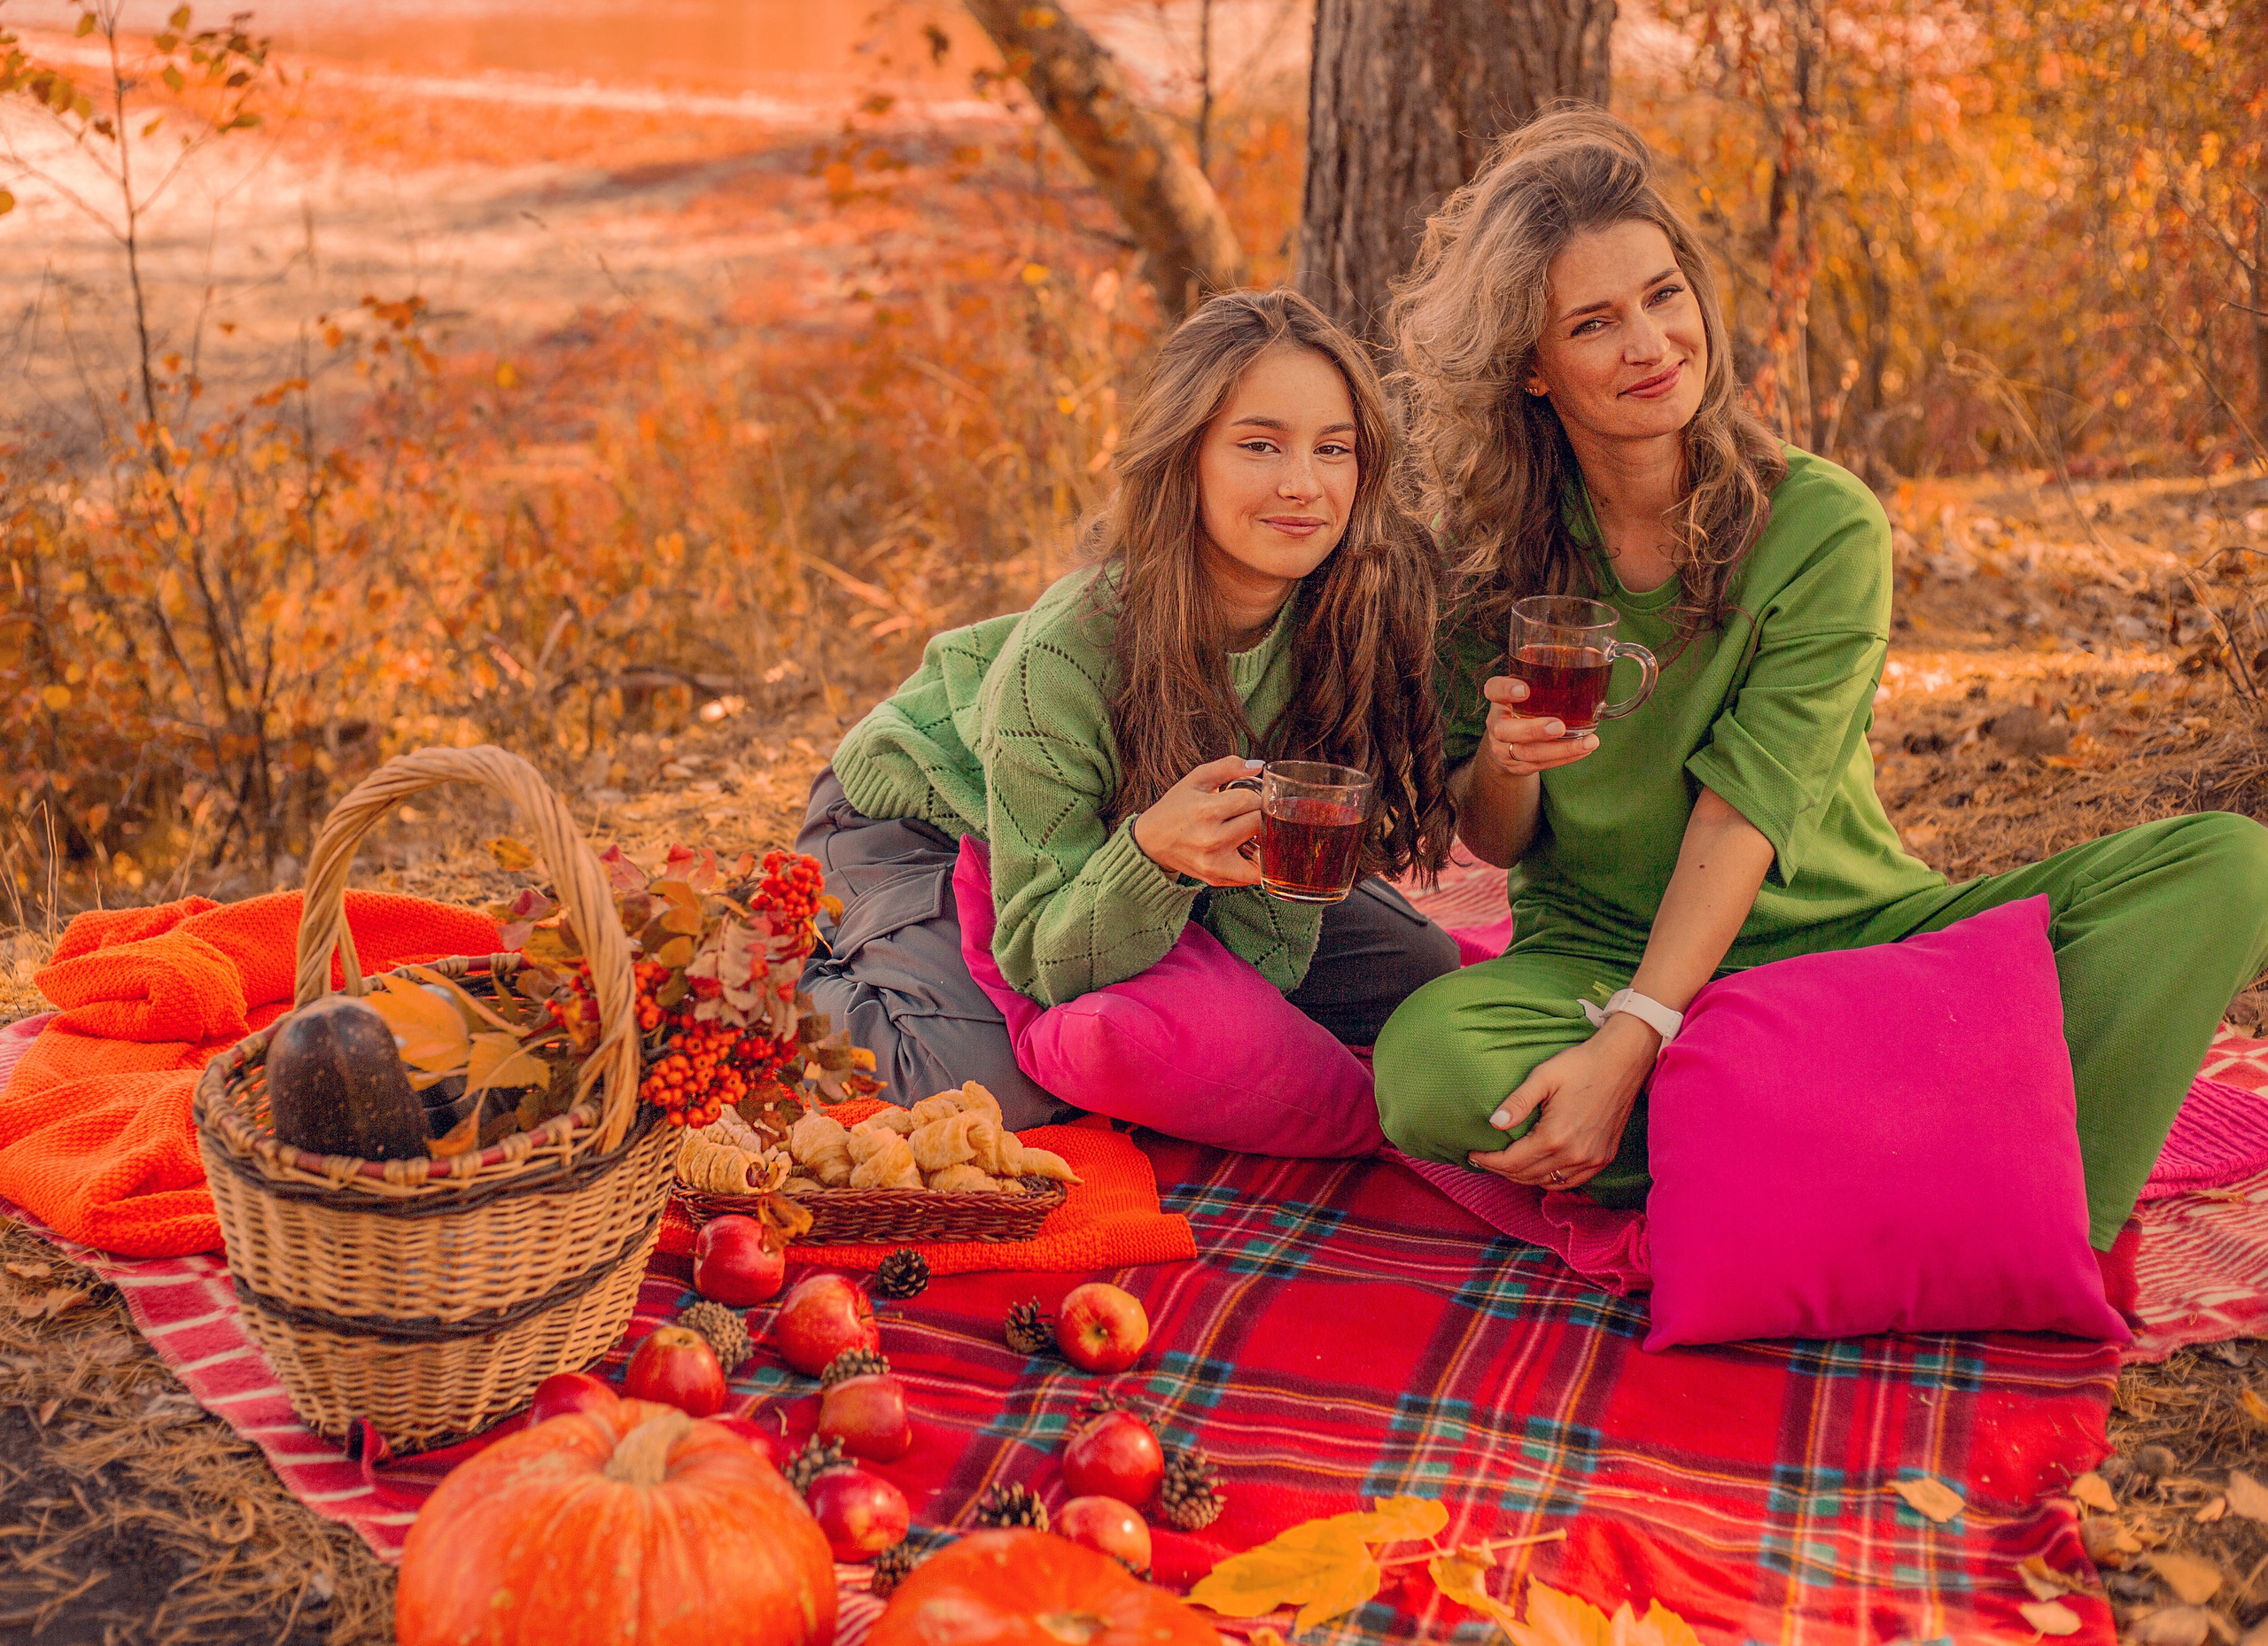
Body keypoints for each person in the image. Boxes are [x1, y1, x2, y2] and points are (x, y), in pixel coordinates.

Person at [1371, 106, 2268, 1254]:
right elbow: (1490, 844)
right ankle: (1944, 1154)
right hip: (1593, 956)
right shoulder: (1486, 561)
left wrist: (1637, 1040)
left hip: (1857, 952)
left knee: (2226, 864)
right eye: (1595, 323)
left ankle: (1945, 1198)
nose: (1650, 343)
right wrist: (1505, 764)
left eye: (1664, 295)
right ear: (1532, 370)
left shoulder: (1818, 522)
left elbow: (1748, 807)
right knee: (1429, 1067)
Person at [798, 289, 1459, 1138]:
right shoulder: (1066, 655)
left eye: (1335, 449)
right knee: (997, 1090)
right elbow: (1045, 958)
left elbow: (1276, 939)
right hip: (929, 819)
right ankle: (785, 984)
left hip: (1126, 845)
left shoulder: (1348, 611)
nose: (1304, 485)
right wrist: (1150, 856)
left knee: (1418, 972)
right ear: (1184, 458)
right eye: (1260, 445)